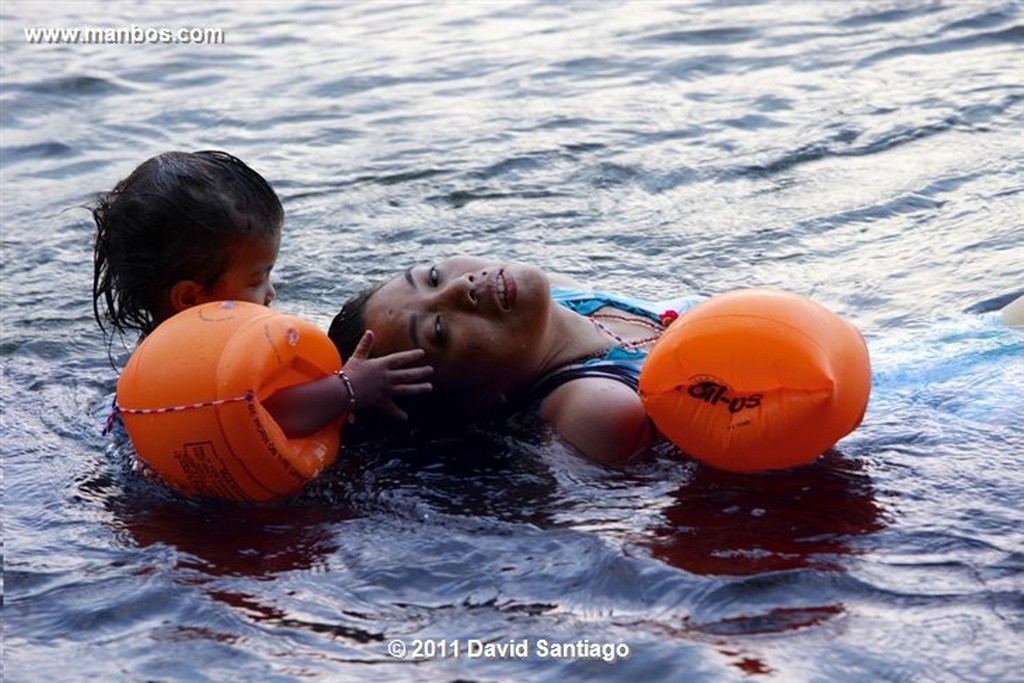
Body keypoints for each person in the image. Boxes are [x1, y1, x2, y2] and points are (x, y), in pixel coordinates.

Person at [92, 150, 432, 435]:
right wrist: (350, 387)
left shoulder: (162, 353)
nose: (270, 292)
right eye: (256, 280)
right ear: (190, 298)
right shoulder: (188, 369)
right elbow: (261, 417)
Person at [328, 255, 695, 464]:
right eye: (440, 331)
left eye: (433, 277)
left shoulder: (561, 296)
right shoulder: (599, 407)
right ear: (477, 397)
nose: (460, 287)